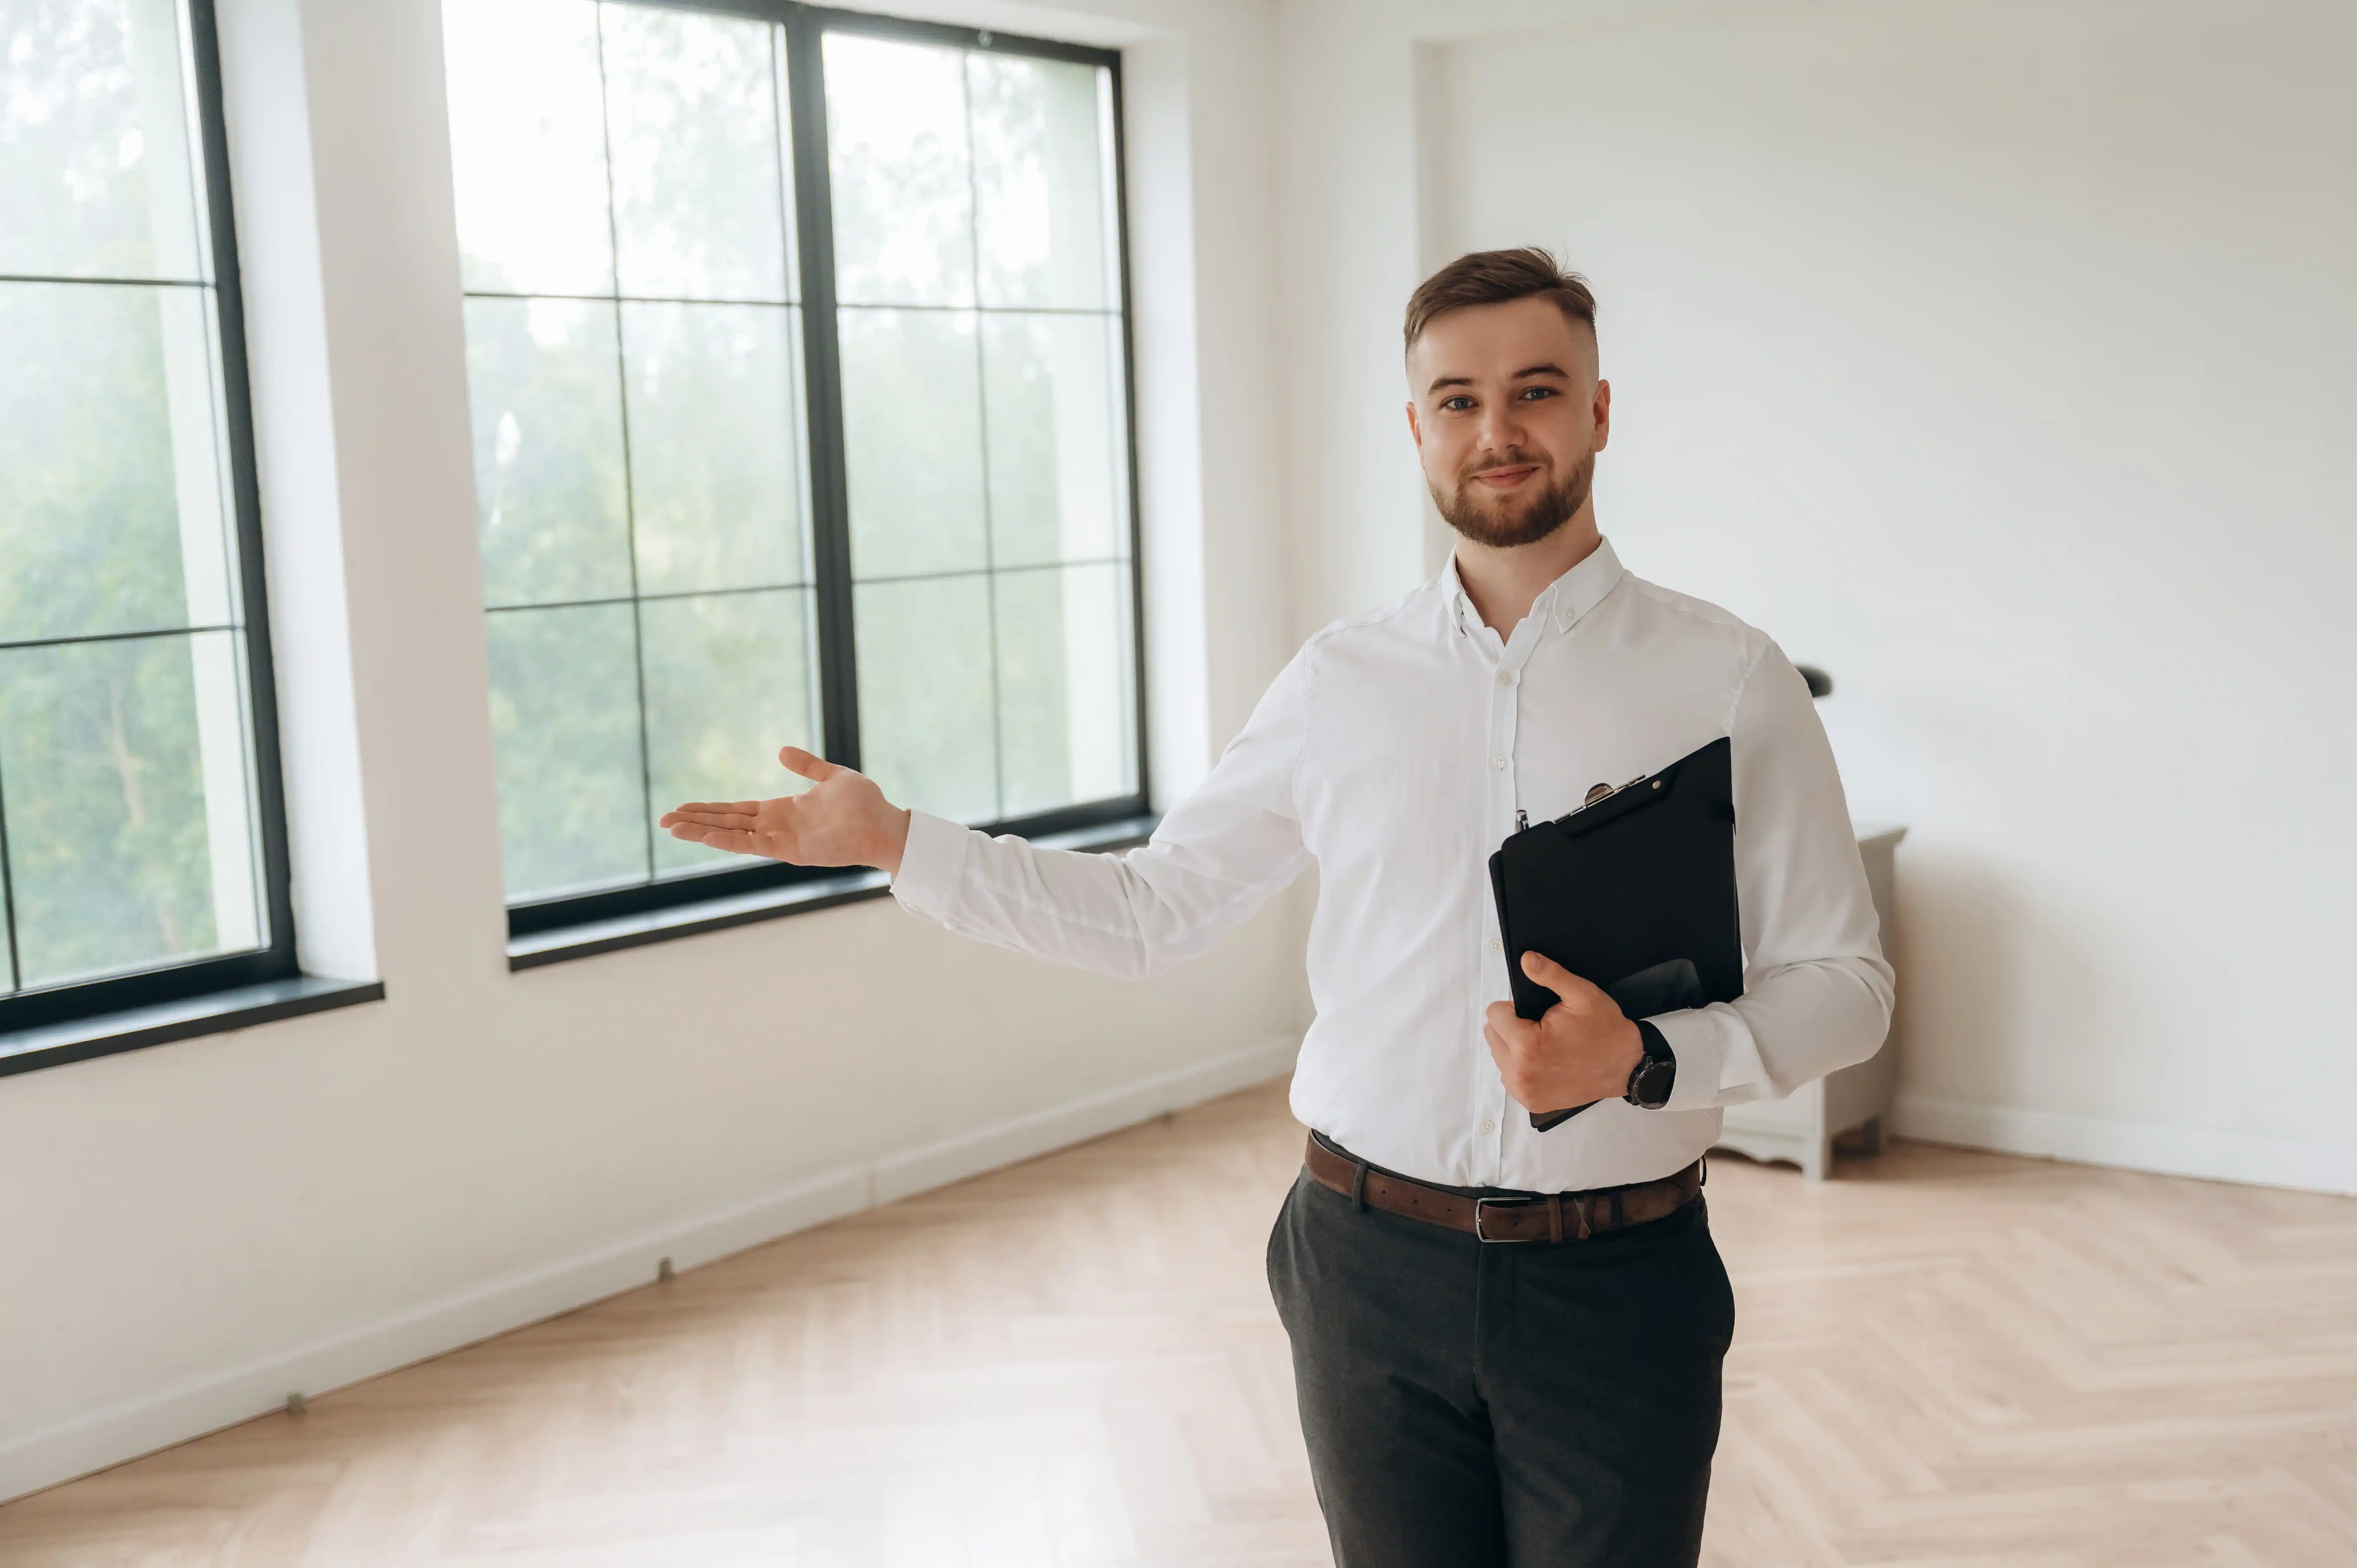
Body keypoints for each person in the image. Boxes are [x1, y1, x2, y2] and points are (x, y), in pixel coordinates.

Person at [659, 247, 1894, 1568]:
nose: (1499, 430)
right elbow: (1151, 910)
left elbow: (1848, 984)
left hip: (1620, 1285)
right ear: (1417, 427)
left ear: (1599, 410)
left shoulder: (1729, 679)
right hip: (1366, 1274)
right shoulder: (1337, 683)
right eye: (1460, 400)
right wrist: (901, 841)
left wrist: (1649, 1059)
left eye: (1536, 391)